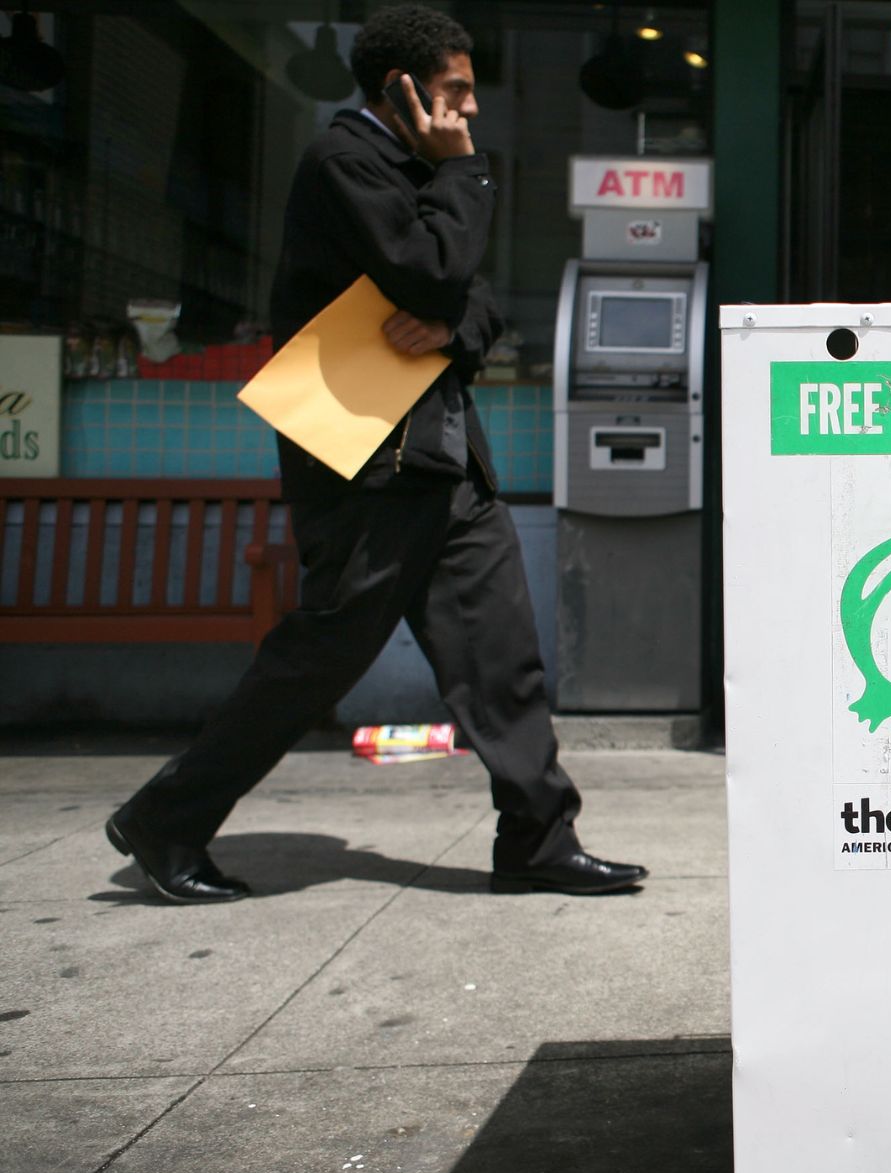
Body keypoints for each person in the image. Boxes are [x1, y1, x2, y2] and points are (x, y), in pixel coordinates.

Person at [106, 6, 646, 903]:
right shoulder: (348, 161)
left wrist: (450, 321)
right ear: (399, 88)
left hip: (441, 461)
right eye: (454, 93)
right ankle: (165, 821)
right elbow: (432, 272)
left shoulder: (419, 171)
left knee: (501, 656)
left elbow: (473, 304)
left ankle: (538, 841)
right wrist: (462, 184)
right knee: (319, 656)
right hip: (368, 463)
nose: (468, 114)